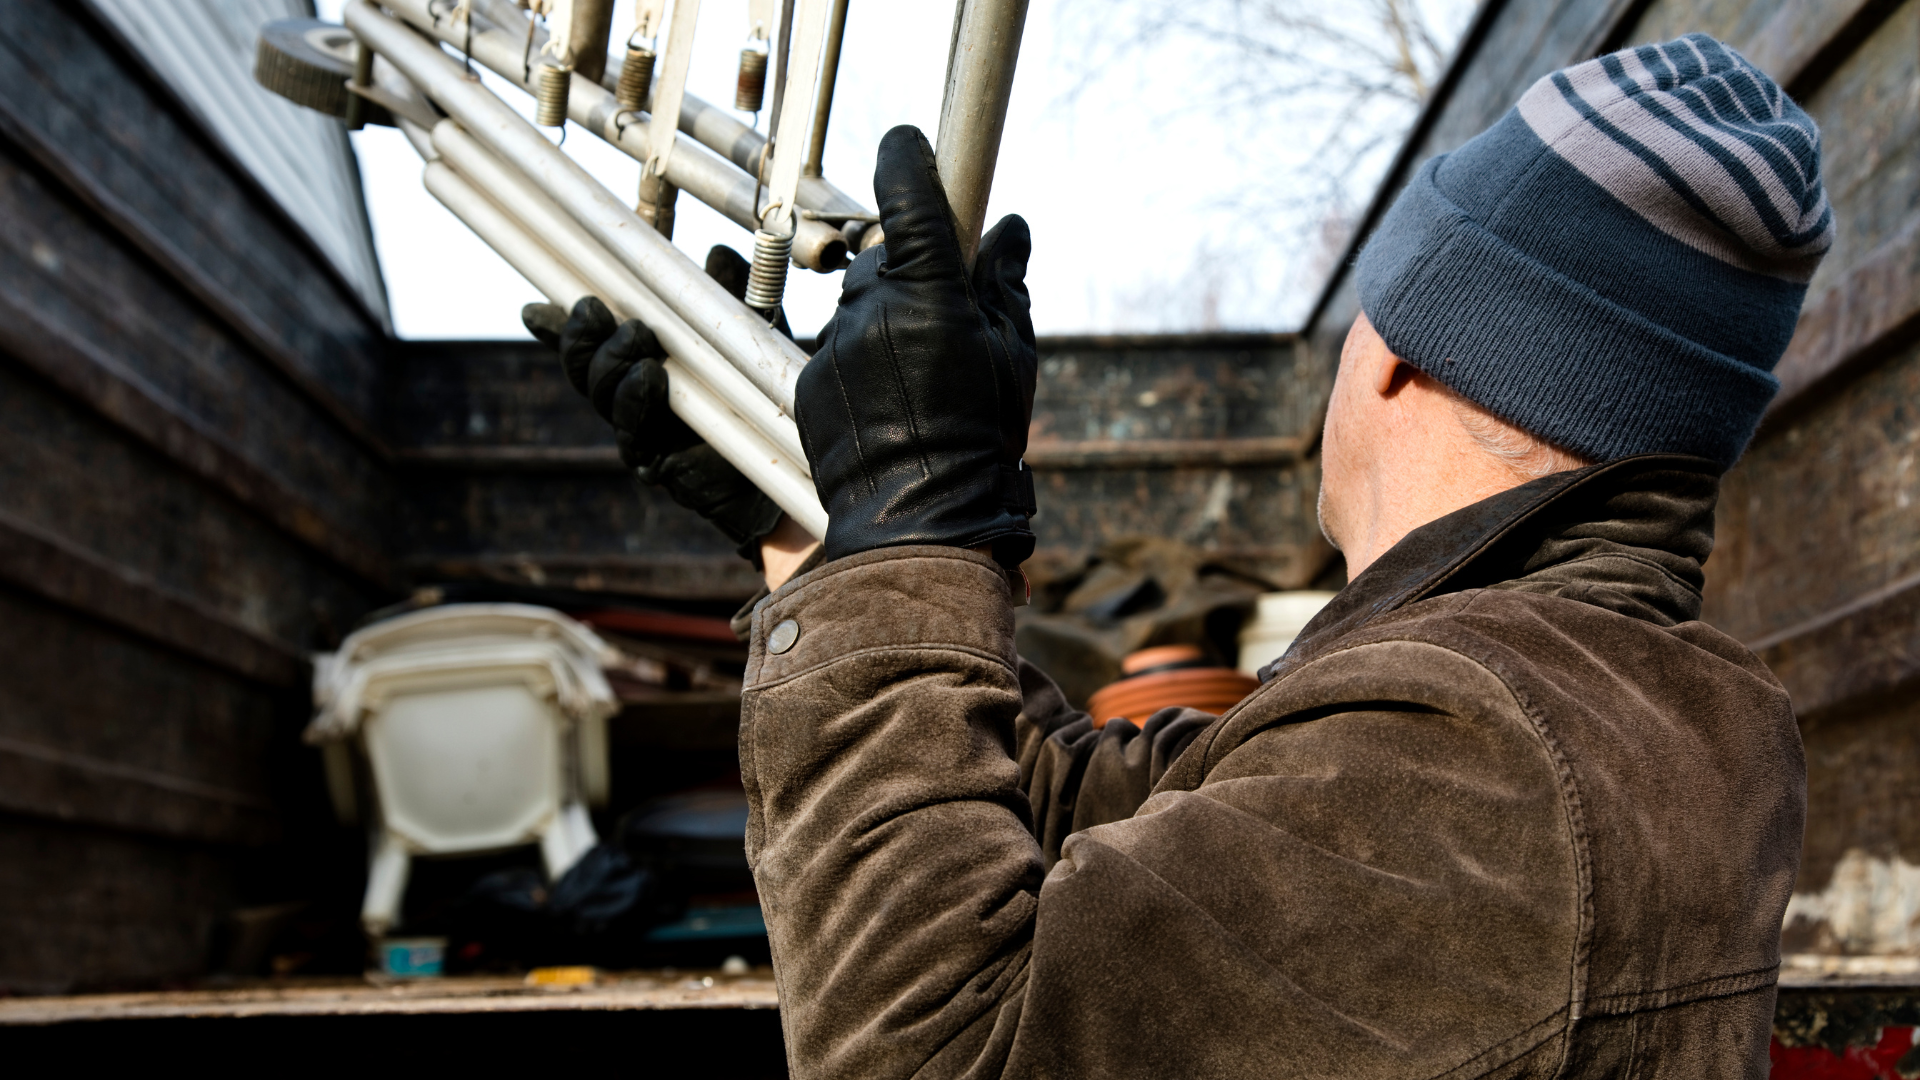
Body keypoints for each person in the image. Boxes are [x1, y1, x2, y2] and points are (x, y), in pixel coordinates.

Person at [525, 33, 1829, 1079]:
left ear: (1409, 352)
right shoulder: (1577, 707)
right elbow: (1087, 829)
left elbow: (933, 1052)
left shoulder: (1495, 752)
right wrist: (826, 544)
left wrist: (909, 528)